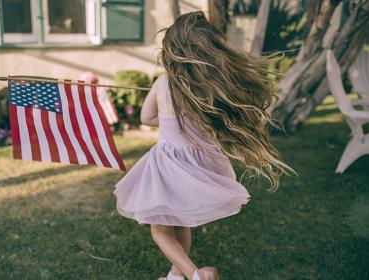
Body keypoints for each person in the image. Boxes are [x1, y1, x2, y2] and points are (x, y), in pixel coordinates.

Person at [112, 11, 296, 280]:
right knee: (181, 225)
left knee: (161, 231)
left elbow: (146, 118)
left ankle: (197, 275)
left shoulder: (164, 82)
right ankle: (176, 277)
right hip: (202, 167)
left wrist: (165, 117)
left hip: (170, 166)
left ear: (172, 50)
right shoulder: (211, 87)